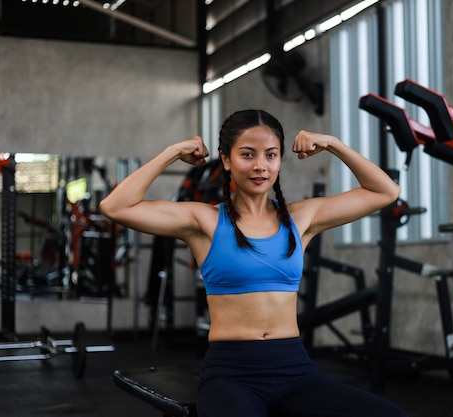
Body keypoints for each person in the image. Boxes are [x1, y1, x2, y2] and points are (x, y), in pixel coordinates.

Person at [100, 109, 408, 417]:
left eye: (270, 155)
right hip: (232, 375)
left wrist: (332, 143)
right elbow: (115, 206)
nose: (260, 166)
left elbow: (385, 191)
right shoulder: (203, 221)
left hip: (295, 370)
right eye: (248, 155)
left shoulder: (300, 219)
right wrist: (173, 152)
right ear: (226, 160)